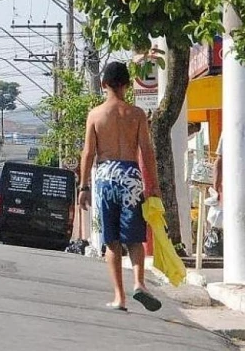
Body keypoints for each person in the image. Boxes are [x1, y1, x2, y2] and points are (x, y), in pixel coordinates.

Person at [79, 61, 163, 313]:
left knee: (112, 240)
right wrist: (154, 186)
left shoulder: (95, 115)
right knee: (135, 238)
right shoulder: (136, 114)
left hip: (105, 176)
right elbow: (146, 152)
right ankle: (139, 282)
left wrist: (83, 186)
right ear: (127, 85)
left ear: (103, 84)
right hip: (130, 177)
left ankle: (119, 298)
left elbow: (88, 153)